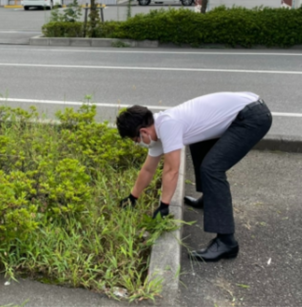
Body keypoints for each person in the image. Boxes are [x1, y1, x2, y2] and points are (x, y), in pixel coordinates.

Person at [116, 92, 272, 262]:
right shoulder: (158, 130)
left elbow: (172, 170)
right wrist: (132, 197)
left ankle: (226, 242)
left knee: (212, 169)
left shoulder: (168, 124)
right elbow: (147, 170)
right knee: (198, 144)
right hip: (247, 108)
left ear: (143, 132)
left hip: (252, 116)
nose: (137, 143)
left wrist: (164, 206)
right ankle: (208, 199)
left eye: (135, 140)